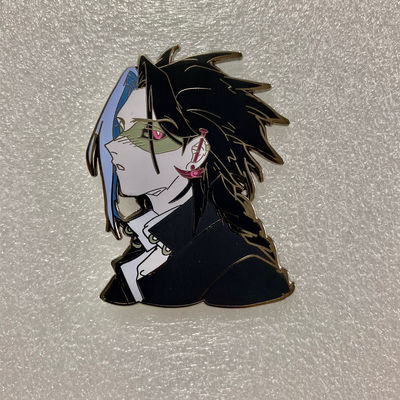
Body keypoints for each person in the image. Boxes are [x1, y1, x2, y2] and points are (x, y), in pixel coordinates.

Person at [86, 45, 294, 308]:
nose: (113, 146)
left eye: (146, 133)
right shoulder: (147, 243)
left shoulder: (246, 269)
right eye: (122, 128)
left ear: (195, 152)